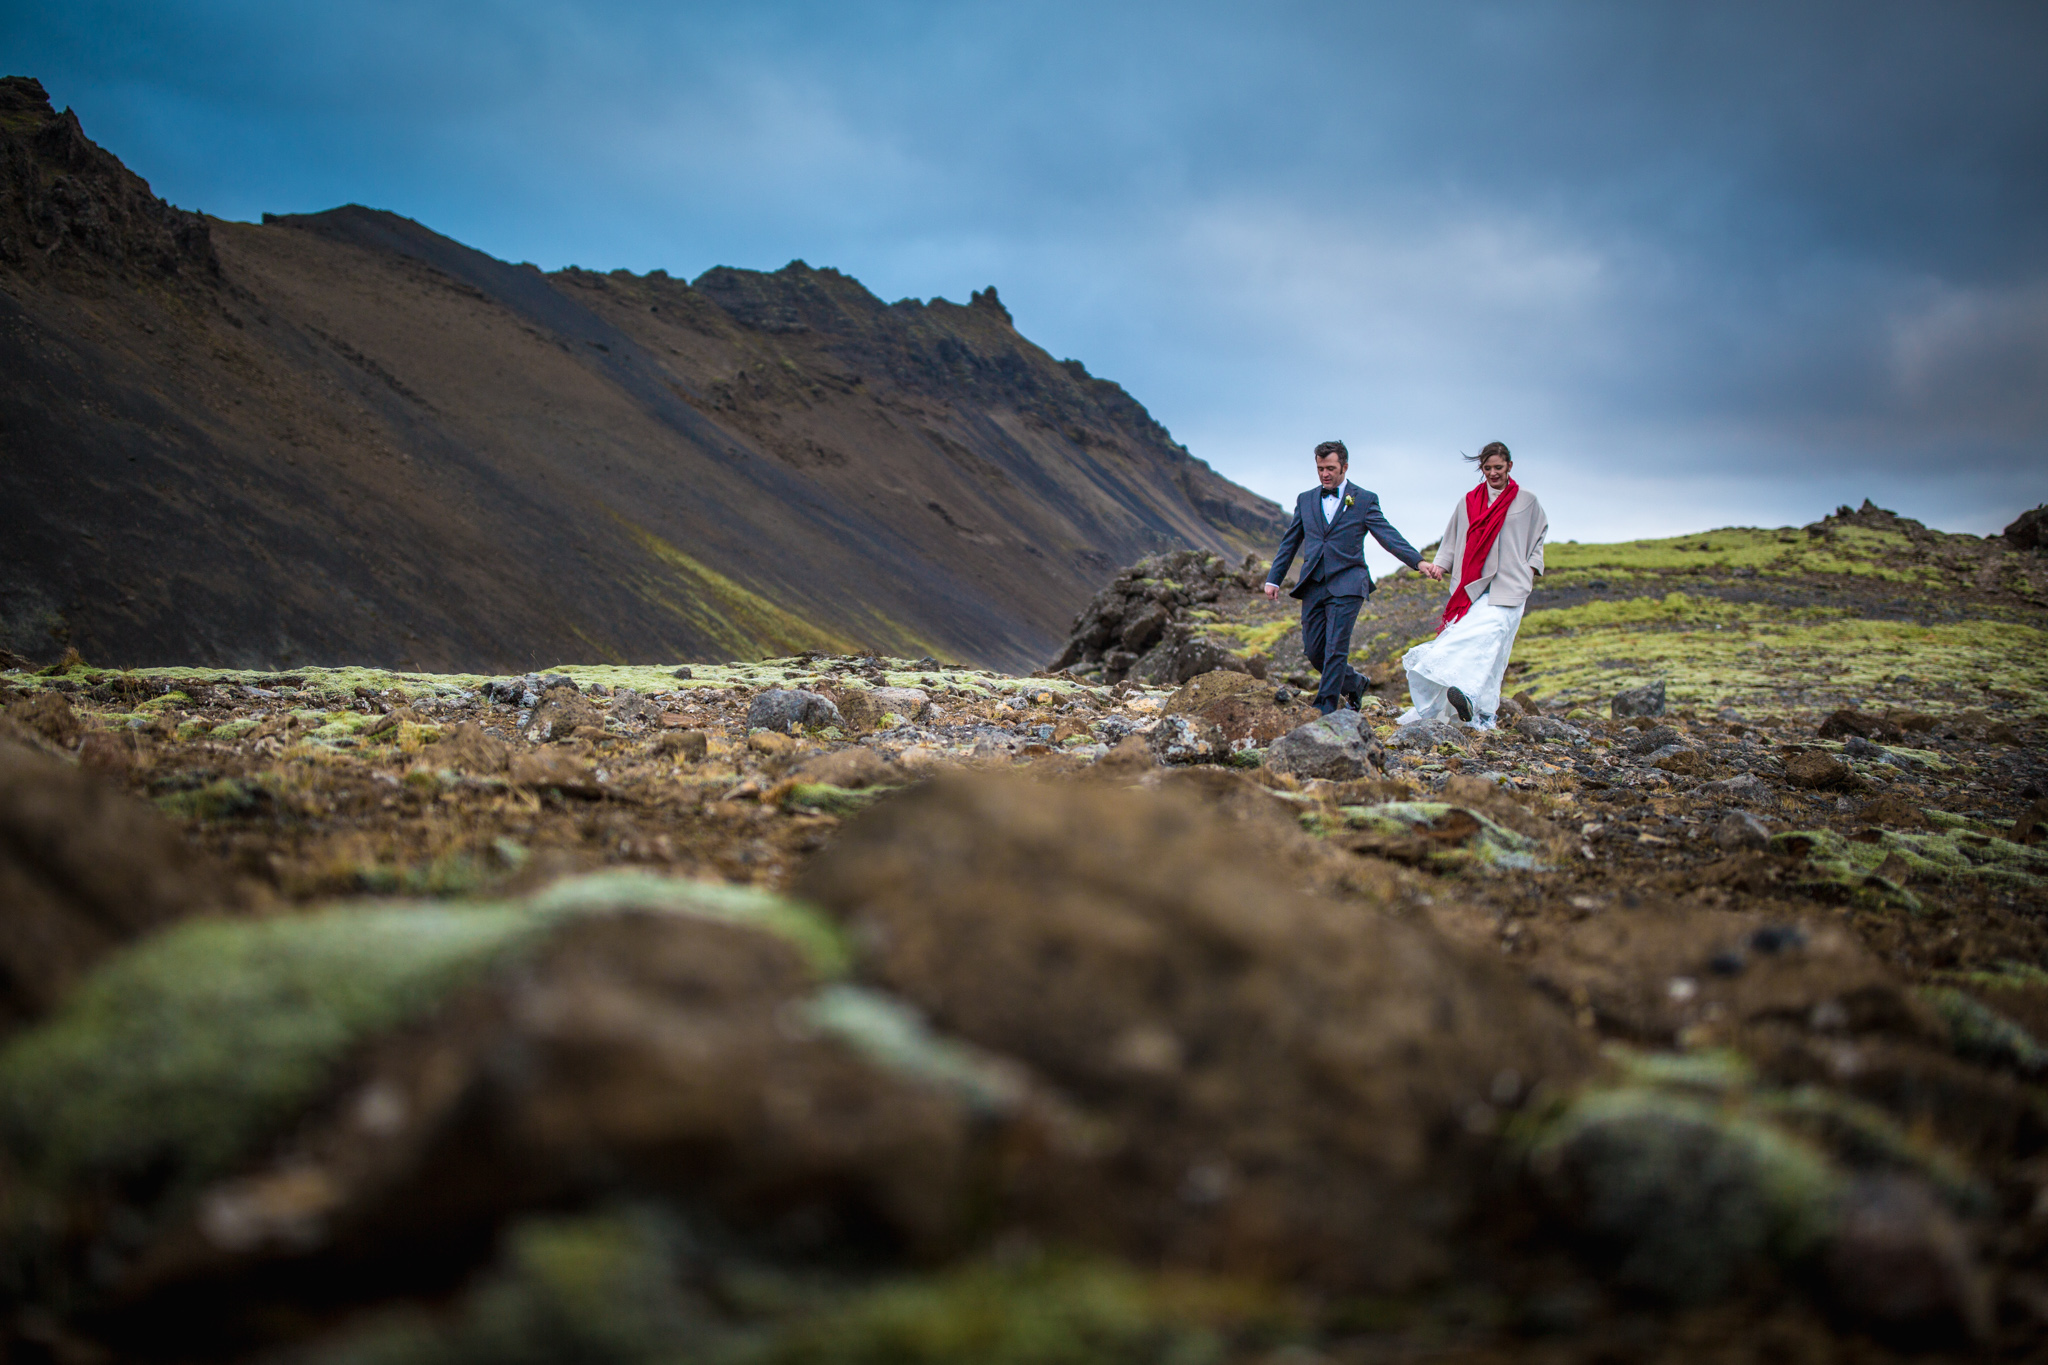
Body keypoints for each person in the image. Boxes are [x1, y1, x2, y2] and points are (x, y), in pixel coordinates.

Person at [1265, 440, 1443, 715]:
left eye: (1331, 468)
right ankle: (1355, 682)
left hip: (1349, 582)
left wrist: (1418, 562)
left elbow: (1387, 535)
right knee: (1315, 651)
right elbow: (1290, 542)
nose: (1325, 474)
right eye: (1320, 468)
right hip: (1313, 583)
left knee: (1336, 647)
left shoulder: (1364, 499)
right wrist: (1274, 578)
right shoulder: (1305, 499)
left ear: (1345, 467)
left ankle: (1324, 709)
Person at [1399, 441, 1547, 729]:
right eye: (1487, 468)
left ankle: (1477, 703)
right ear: (1482, 469)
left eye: (1498, 468)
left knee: (1494, 640)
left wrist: (1530, 569)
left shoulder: (1528, 501)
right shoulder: (1468, 501)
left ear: (1510, 467)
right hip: (1473, 585)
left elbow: (1538, 536)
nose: (1493, 473)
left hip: (1511, 585)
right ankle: (1471, 704)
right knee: (1473, 638)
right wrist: (1441, 564)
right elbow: (1452, 537)